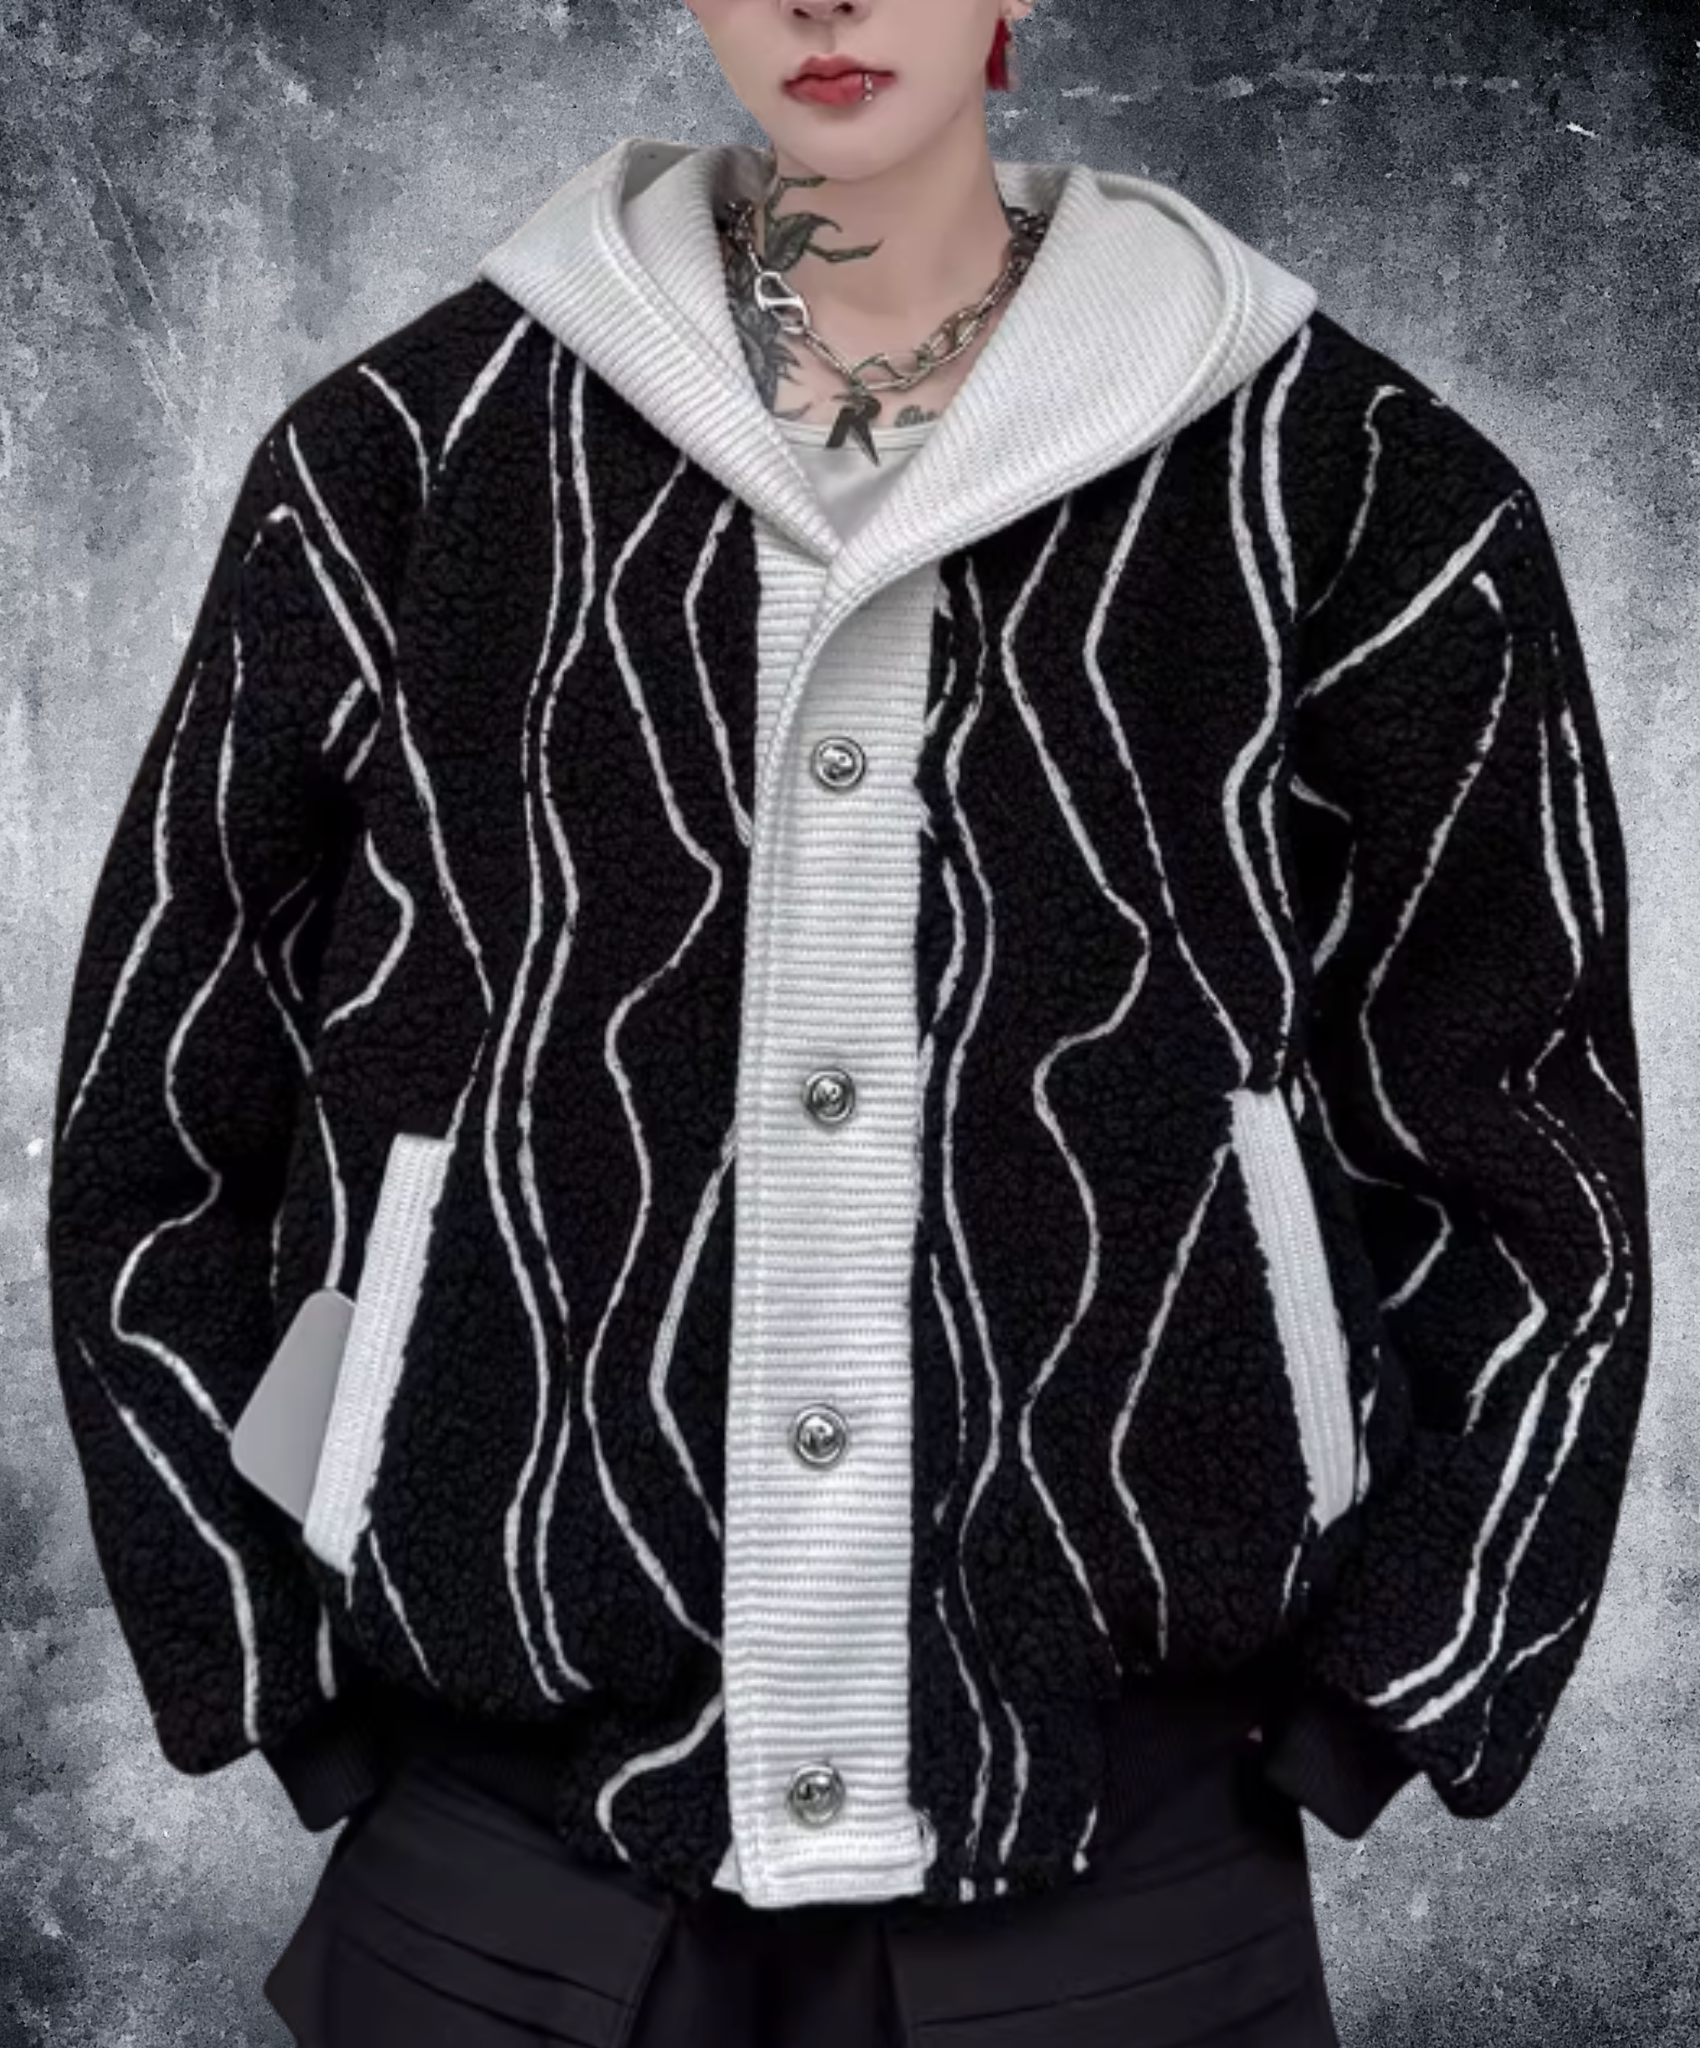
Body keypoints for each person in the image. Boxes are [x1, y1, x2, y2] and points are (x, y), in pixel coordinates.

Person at [44, 0, 1651, 2042]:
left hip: (1128, 1857)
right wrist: (265, 1651)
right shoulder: (405, 458)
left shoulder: (1346, 481)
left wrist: (1401, 1672)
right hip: (500, 1850)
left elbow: (1522, 1123)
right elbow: (164, 1092)